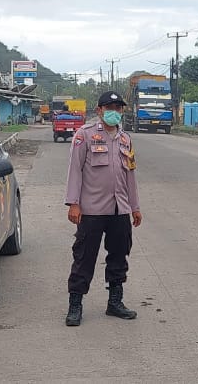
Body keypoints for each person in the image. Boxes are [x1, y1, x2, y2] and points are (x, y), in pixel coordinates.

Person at [64, 90, 142, 326]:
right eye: (109, 108)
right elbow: (75, 170)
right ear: (99, 110)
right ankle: (75, 305)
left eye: (118, 108)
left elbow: (130, 176)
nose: (114, 112)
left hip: (120, 210)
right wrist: (74, 203)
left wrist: (134, 207)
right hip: (91, 210)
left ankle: (115, 302)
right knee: (84, 258)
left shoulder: (125, 139)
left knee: (119, 256)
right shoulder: (84, 135)